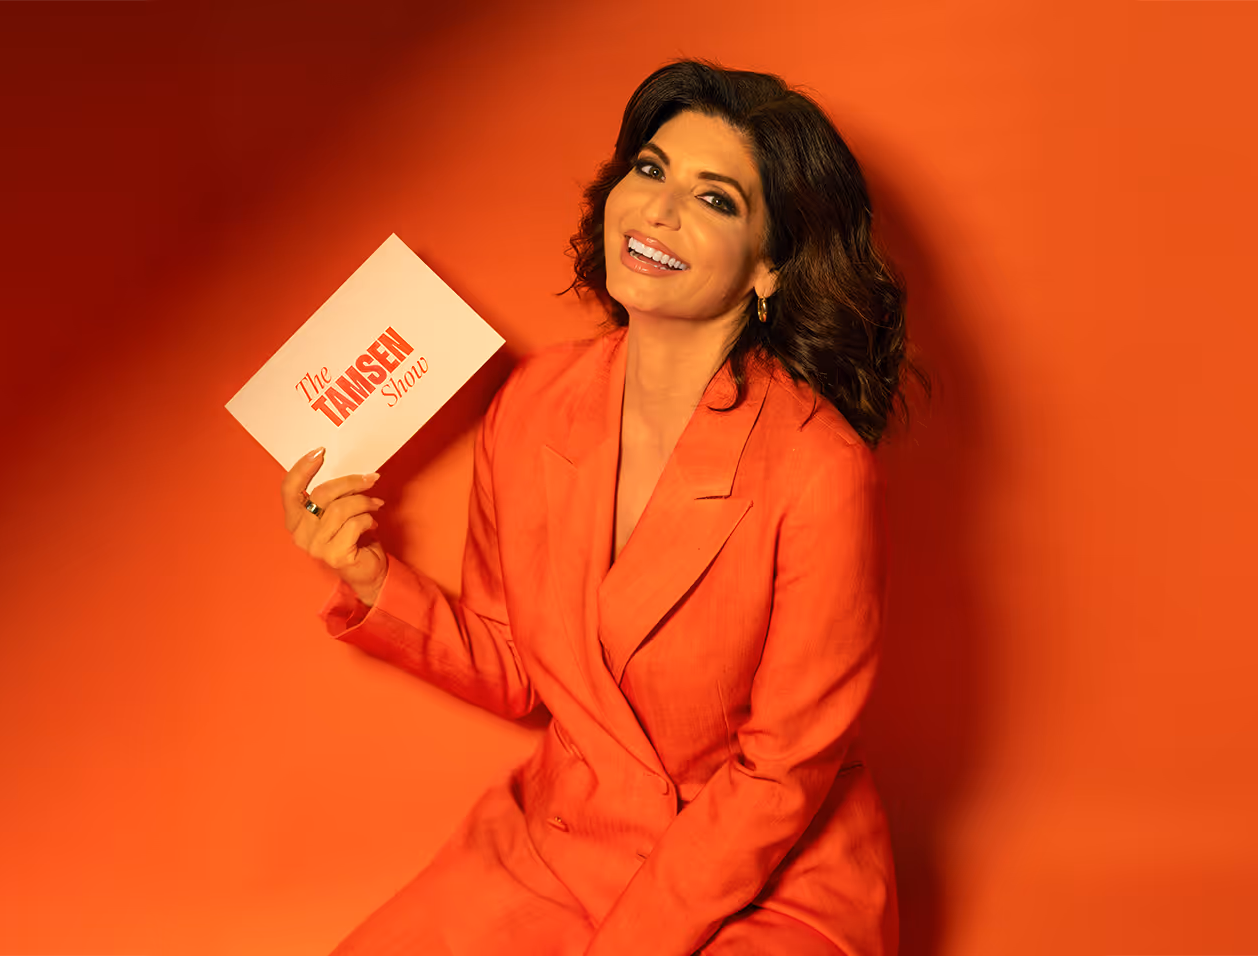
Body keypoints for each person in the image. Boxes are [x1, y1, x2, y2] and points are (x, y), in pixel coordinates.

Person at [277, 58, 925, 956]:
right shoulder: (537, 401)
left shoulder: (822, 469)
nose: (659, 210)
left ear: (771, 268)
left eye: (717, 200)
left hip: (770, 879)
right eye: (651, 170)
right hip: (564, 845)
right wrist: (369, 576)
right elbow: (517, 668)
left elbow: (780, 775)